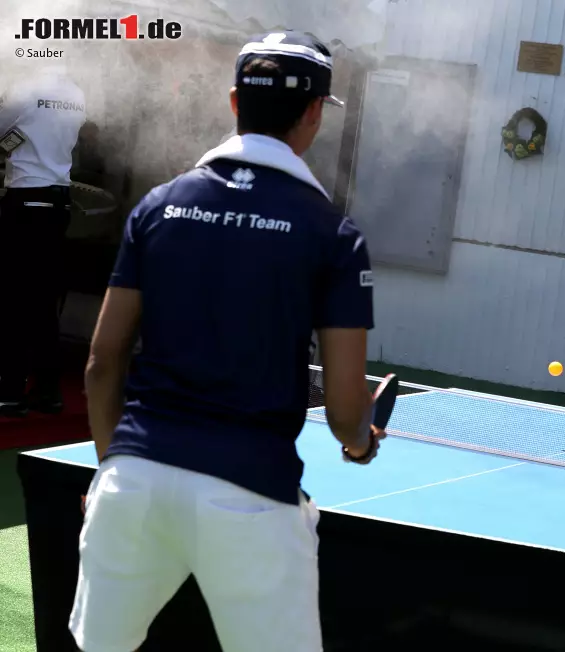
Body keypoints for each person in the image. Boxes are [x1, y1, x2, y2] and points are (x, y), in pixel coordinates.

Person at [69, 31, 381, 652]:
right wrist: (359, 442)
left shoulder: (157, 207)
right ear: (315, 112)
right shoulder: (333, 234)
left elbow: (103, 364)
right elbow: (347, 414)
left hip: (134, 483)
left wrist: (111, 471)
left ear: (236, 102)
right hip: (252, 496)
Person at [0, 63, 86, 417]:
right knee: (42, 298)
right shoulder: (78, 95)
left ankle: (10, 389)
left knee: (16, 296)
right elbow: (37, 136)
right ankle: (47, 390)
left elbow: (5, 134)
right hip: (57, 200)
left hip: (25, 201)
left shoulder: (26, 90)